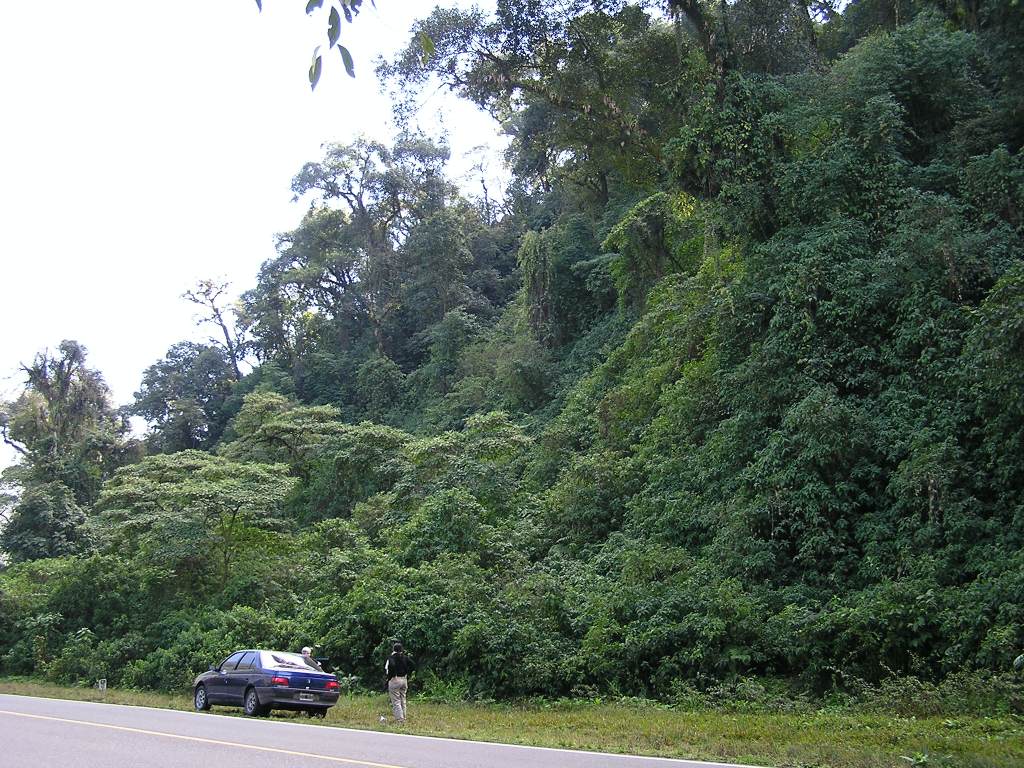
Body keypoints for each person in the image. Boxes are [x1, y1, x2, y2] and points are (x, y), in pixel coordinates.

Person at [384, 641, 414, 723]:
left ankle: (400, 720)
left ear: (393, 649)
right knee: (403, 699)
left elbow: (390, 667)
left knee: (396, 701)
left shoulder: (391, 658)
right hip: (404, 679)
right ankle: (404, 717)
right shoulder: (405, 657)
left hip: (395, 679)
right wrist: (407, 672)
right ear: (402, 649)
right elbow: (412, 665)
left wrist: (391, 676)